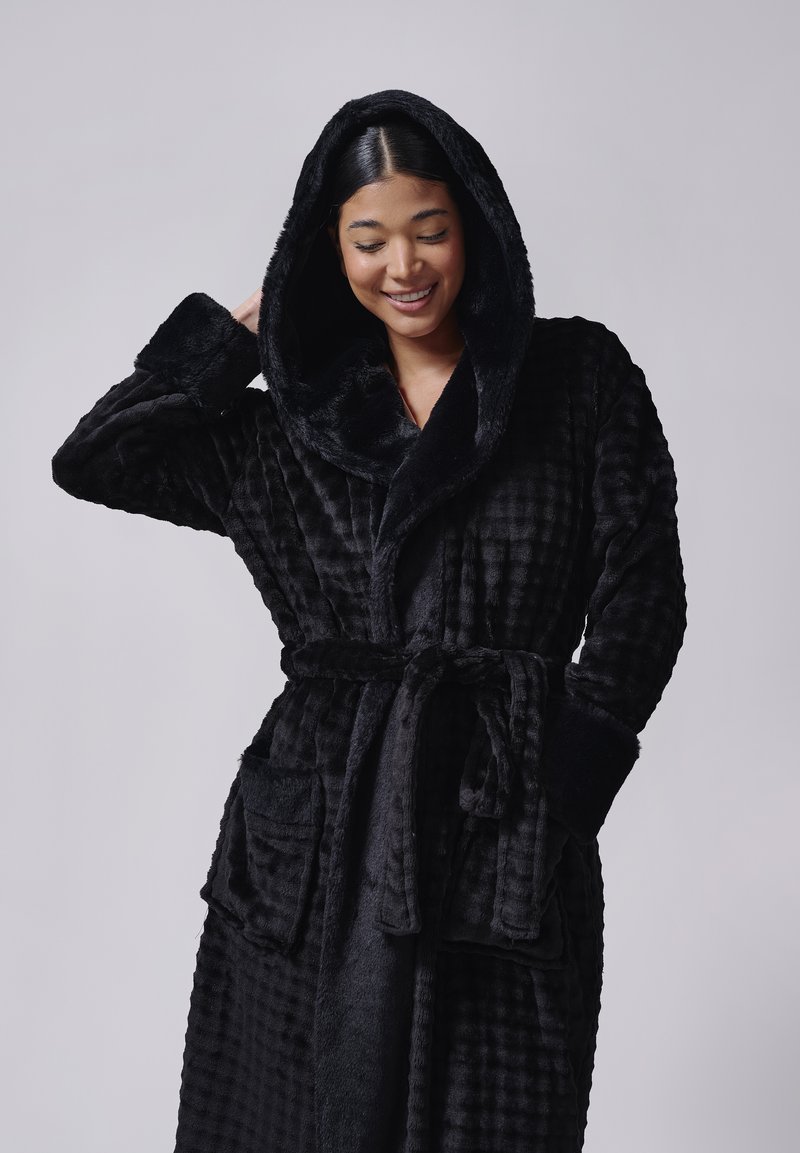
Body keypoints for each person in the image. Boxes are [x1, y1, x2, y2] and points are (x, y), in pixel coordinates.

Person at [51, 89, 688, 1153]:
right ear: (327, 251)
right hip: (315, 819)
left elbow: (644, 591)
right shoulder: (287, 431)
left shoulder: (577, 380)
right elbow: (96, 460)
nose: (404, 265)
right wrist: (225, 343)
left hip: (495, 808)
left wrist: (564, 785)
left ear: (473, 227)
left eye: (429, 229)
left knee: (489, 1112)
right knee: (283, 1113)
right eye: (368, 239)